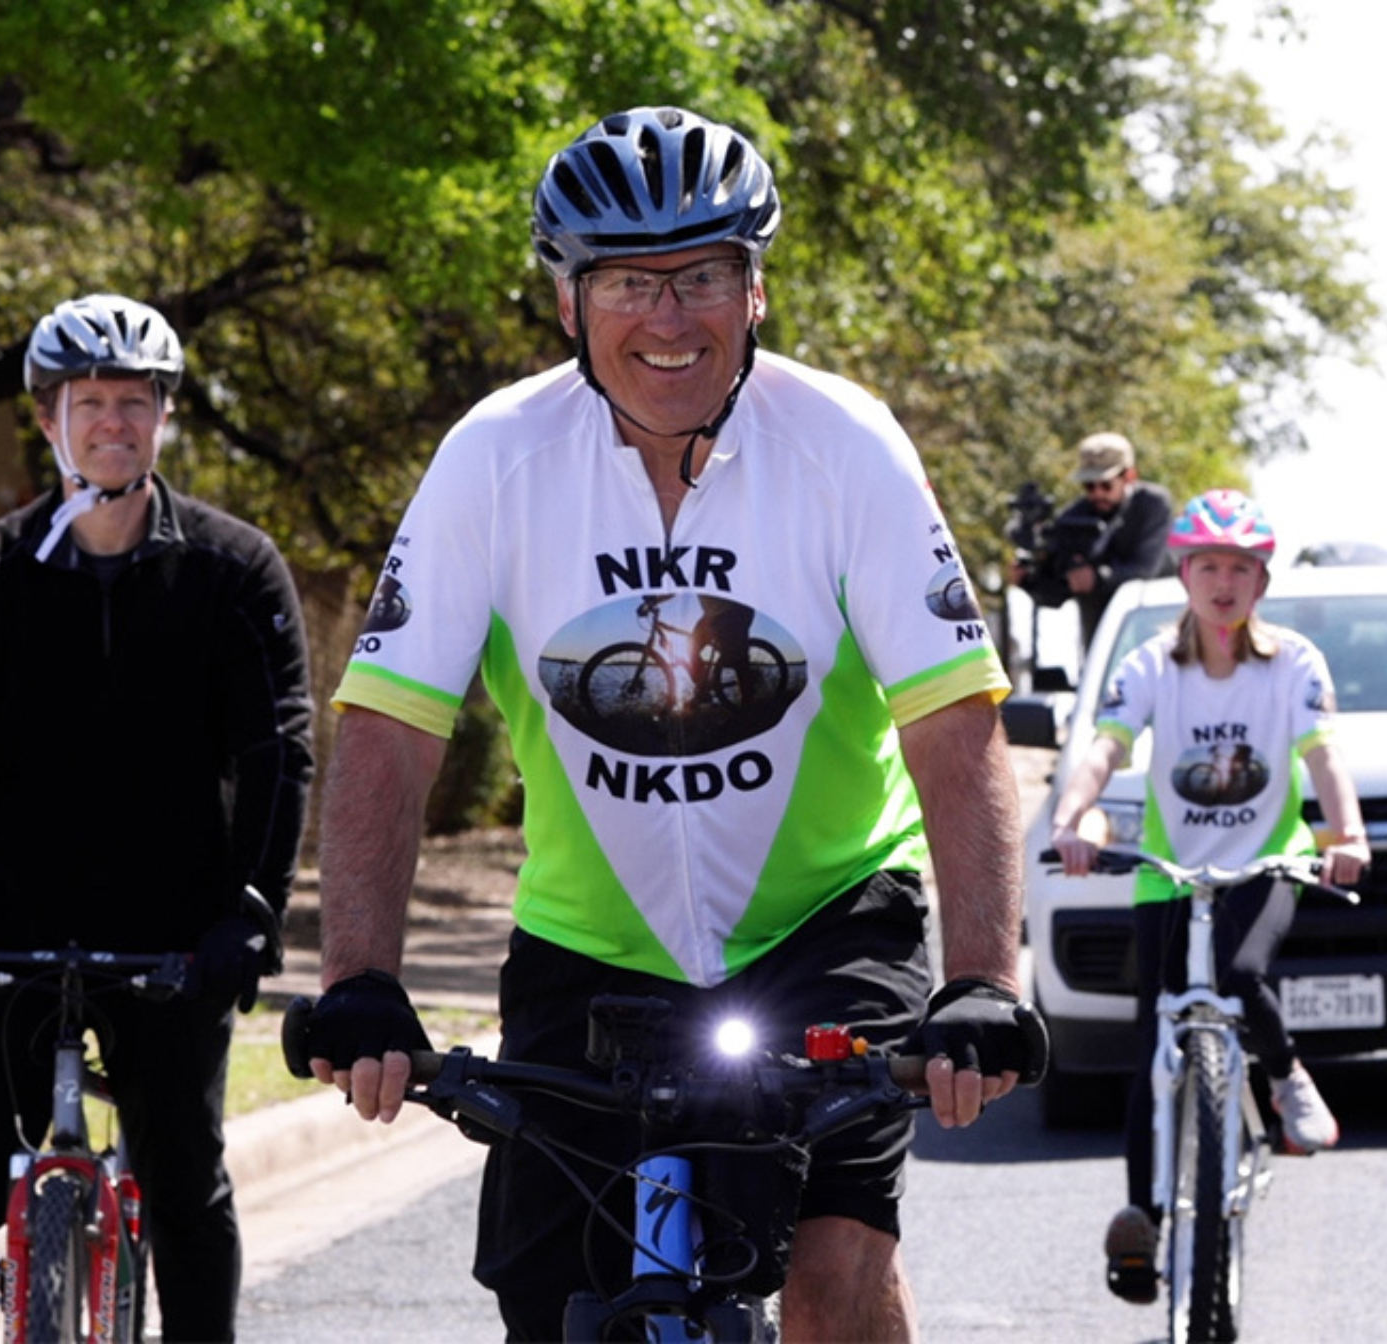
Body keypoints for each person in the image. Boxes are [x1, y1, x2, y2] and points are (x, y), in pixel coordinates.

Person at [296, 105, 1048, 1342]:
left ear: (755, 290)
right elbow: (390, 731)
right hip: (588, 946)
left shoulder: (844, 446)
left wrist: (978, 982)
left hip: (825, 925)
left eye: (703, 274)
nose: (667, 315)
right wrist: (360, 978)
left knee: (834, 1269)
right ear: (567, 303)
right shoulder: (494, 457)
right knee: (553, 1313)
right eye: (629, 282)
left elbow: (954, 728)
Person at [0, 293, 315, 1342]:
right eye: (90, 401)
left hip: (174, 931)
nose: (114, 423)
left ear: (164, 418)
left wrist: (252, 906)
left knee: (187, 1178)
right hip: (6, 923)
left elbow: (277, 748)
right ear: (49, 418)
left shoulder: (234, 571)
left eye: (135, 403)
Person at [1045, 488, 1370, 1305]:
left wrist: (1348, 835)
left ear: (1261, 582)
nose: (1224, 582)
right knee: (1152, 1045)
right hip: (1169, 868)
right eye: (1208, 566)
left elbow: (1325, 759)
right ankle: (1141, 1224)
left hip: (1266, 862)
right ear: (1184, 574)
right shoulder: (1152, 664)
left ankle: (1288, 1078)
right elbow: (1105, 749)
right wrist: (1069, 816)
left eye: (1241, 568)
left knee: (1243, 971)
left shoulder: (1293, 661)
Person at [1014, 431, 1176, 646]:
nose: (1097, 493)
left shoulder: (1152, 505)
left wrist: (1097, 578)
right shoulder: (1074, 517)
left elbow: (1145, 569)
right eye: (1089, 485)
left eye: (1106, 485)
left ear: (1129, 476)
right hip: (1101, 641)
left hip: (1154, 625)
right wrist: (1028, 580)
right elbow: (1056, 594)